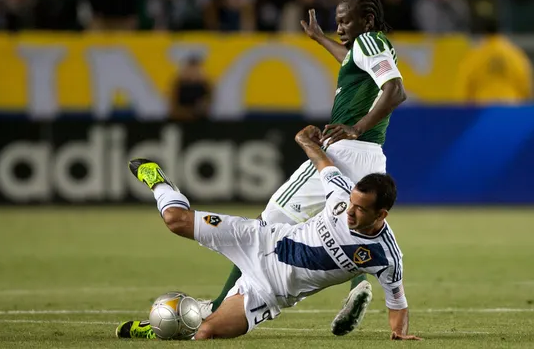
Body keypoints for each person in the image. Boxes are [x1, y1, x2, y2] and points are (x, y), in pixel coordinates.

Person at [203, 0, 407, 333]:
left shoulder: (371, 41)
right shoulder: (367, 48)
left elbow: (396, 91)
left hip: (345, 151)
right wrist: (319, 39)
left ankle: (220, 306)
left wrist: (355, 128)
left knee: (266, 223)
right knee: (351, 226)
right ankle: (357, 285)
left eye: (345, 21)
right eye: (337, 22)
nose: (339, 27)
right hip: (371, 158)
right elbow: (351, 60)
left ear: (367, 20)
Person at [116, 125, 421, 341]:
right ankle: (159, 182)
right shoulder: (341, 195)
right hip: (259, 238)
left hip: (267, 291)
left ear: (381, 214)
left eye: (361, 209)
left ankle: (161, 328)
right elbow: (322, 162)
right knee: (174, 220)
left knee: (205, 332)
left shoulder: (386, 255)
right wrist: (305, 139)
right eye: (351, 202)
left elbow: (397, 301)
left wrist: (400, 332)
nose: (350, 211)